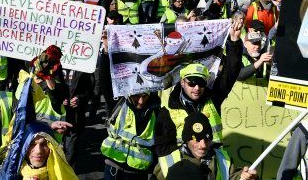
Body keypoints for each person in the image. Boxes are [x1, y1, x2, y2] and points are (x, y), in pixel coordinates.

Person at [154, 19, 243, 170]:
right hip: (183, 170)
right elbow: (162, 148)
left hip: (213, 168)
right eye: (191, 83)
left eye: (201, 83)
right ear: (182, 82)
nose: (197, 88)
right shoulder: (167, 110)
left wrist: (233, 42)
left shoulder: (212, 99)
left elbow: (230, 73)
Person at [157, 112, 258, 180]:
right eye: (197, 139)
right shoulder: (168, 161)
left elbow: (233, 176)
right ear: (187, 140)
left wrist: (245, 176)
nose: (203, 145)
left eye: (207, 139)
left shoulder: (222, 158)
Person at [101, 92, 161, 179]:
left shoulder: (156, 111)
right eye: (137, 96)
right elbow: (105, 82)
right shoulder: (118, 102)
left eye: (145, 96)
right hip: (113, 167)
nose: (141, 101)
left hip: (138, 171)